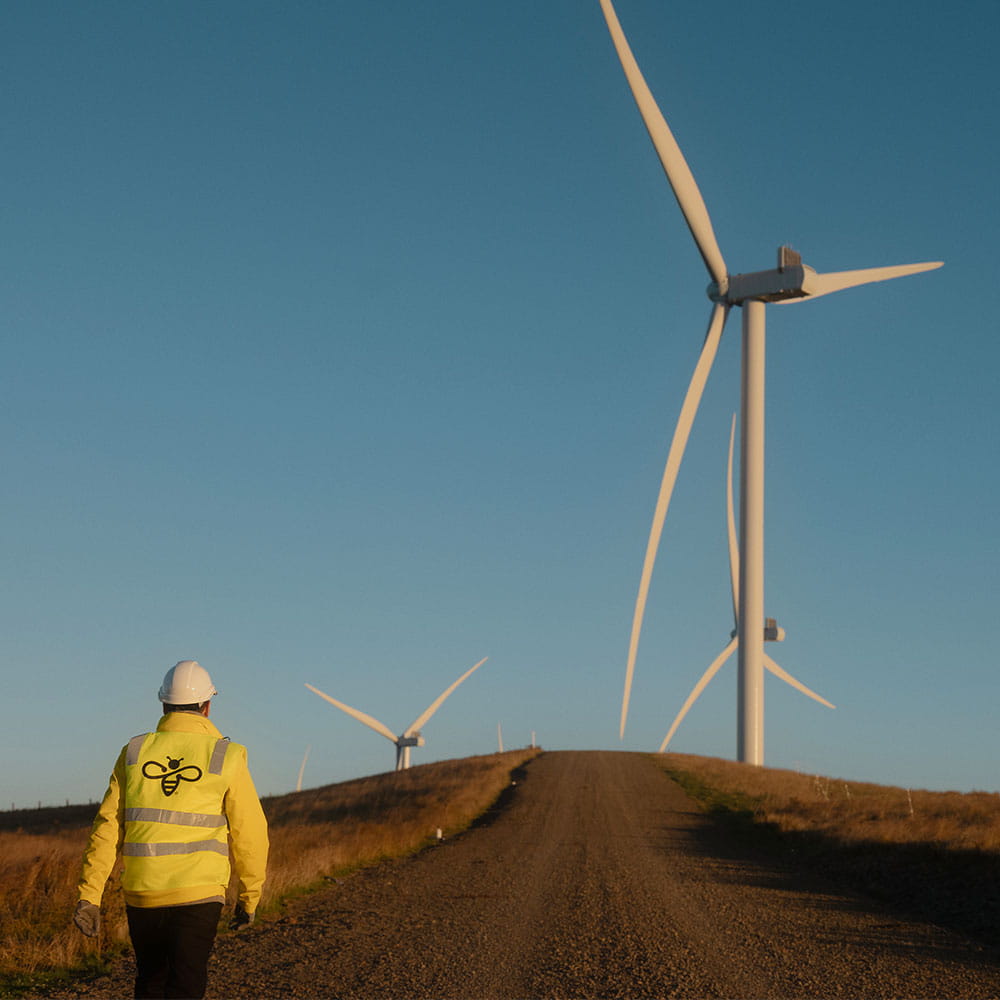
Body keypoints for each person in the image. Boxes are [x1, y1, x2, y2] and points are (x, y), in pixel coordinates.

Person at [74, 660, 269, 999]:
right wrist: (249, 897)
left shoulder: (133, 752)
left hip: (143, 893)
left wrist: (90, 895)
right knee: (186, 984)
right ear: (207, 706)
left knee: (150, 982)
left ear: (163, 703)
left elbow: (107, 829)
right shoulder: (227, 755)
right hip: (199, 894)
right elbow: (250, 833)